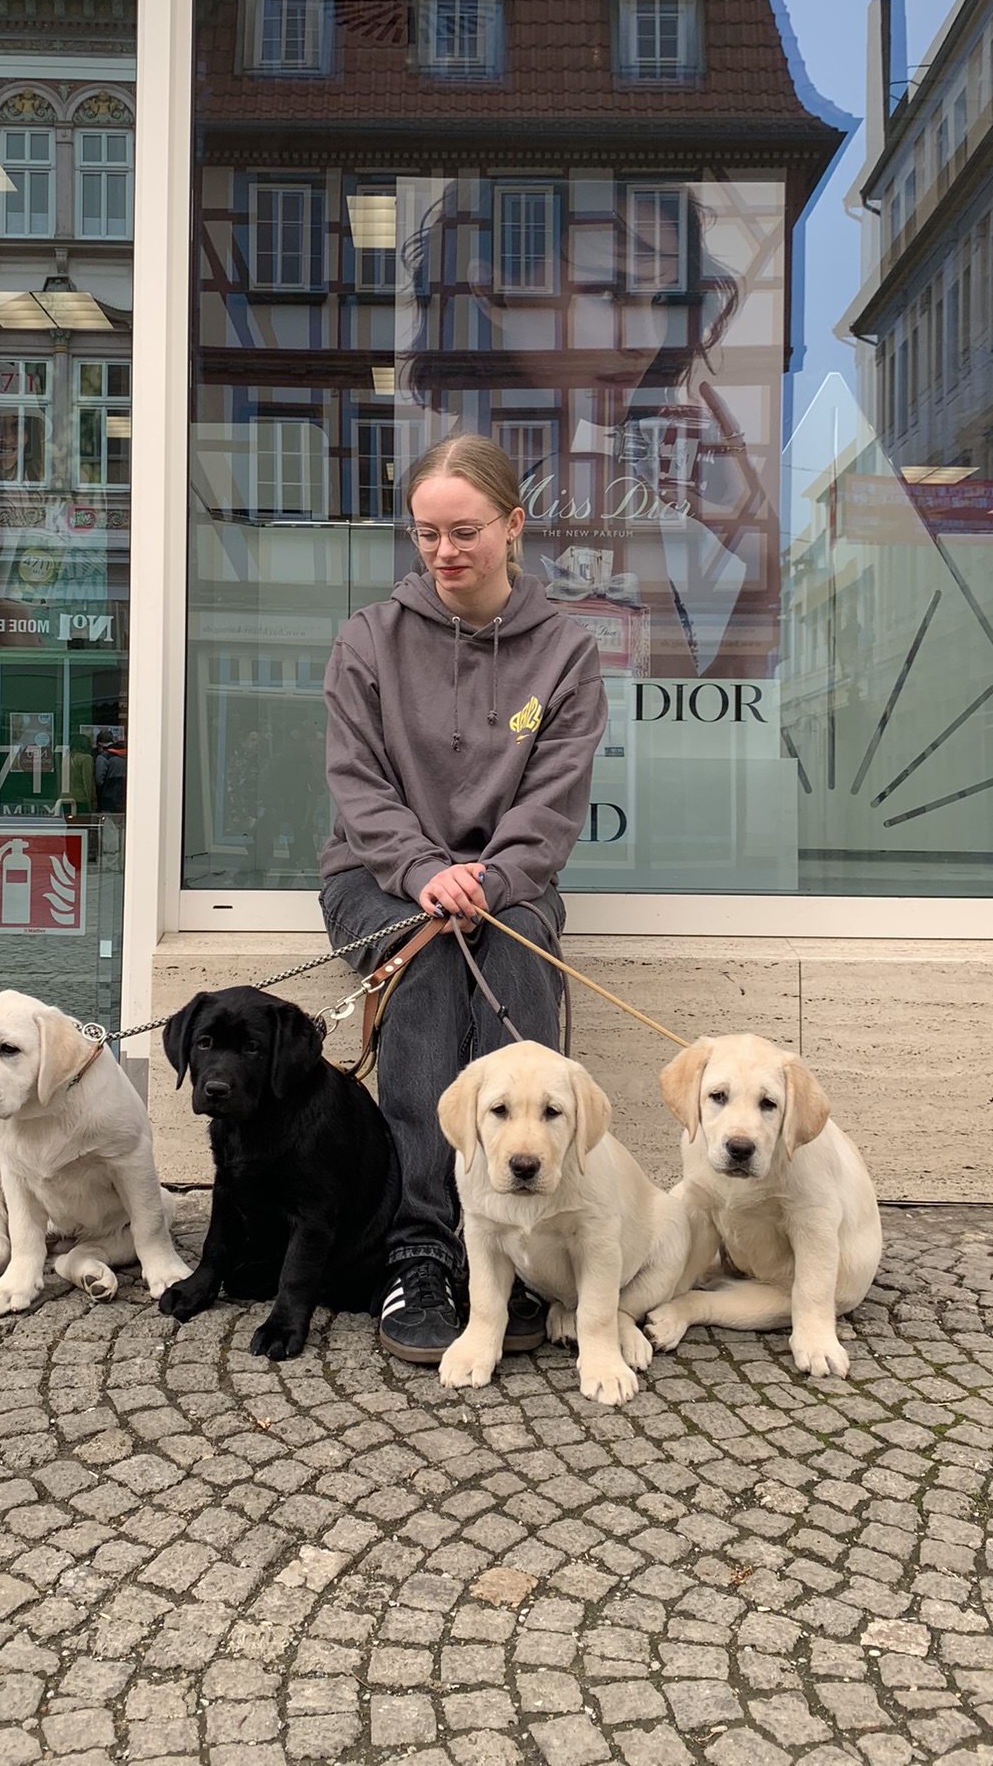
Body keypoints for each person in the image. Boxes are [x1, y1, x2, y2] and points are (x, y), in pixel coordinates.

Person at [319, 433, 608, 1363]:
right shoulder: (369, 640)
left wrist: (489, 876)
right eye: (427, 533)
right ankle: (421, 1246)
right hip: (377, 879)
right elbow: (358, 787)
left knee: (515, 951)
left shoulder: (565, 653)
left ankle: (520, 1240)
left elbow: (553, 802)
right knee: (430, 965)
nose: (444, 552)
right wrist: (420, 871)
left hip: (509, 882)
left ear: (513, 525)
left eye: (466, 531)